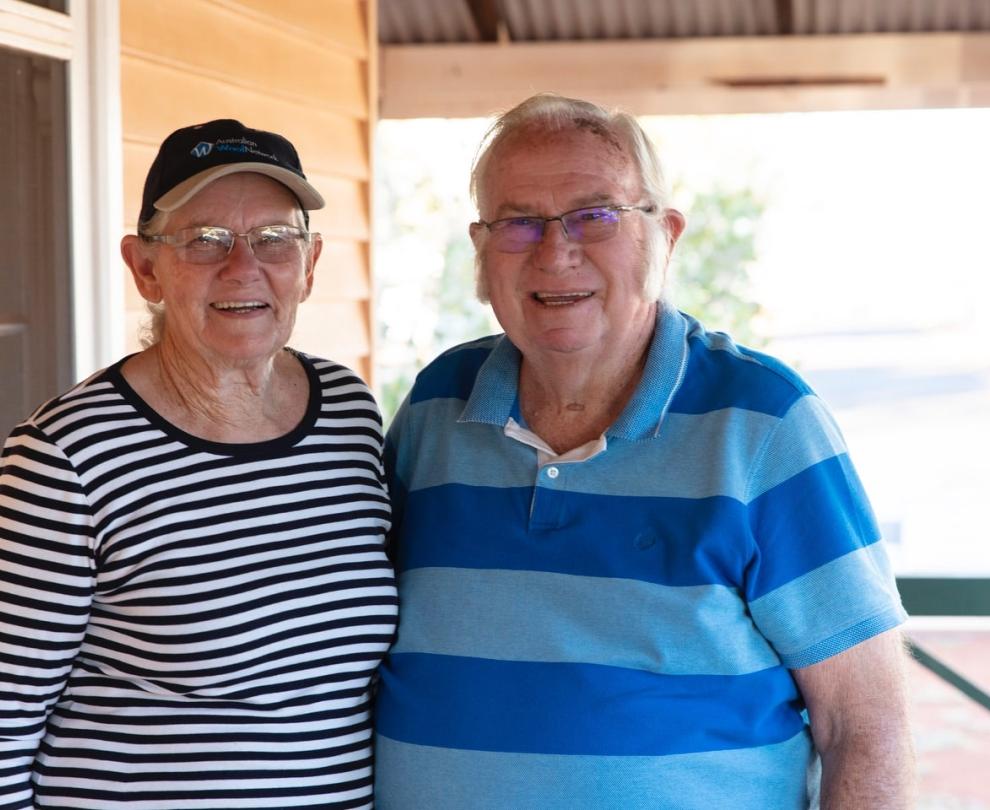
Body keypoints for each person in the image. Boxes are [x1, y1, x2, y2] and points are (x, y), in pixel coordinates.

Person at [373, 94, 914, 809]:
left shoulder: (763, 424)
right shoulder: (437, 407)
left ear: (666, 235)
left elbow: (865, 725)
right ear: (481, 249)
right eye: (519, 222)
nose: (554, 251)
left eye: (594, 215)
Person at [0, 119, 397, 808]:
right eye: (205, 239)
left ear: (309, 264)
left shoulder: (348, 412)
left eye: (274, 238)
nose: (243, 267)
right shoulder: (66, 454)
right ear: (145, 269)